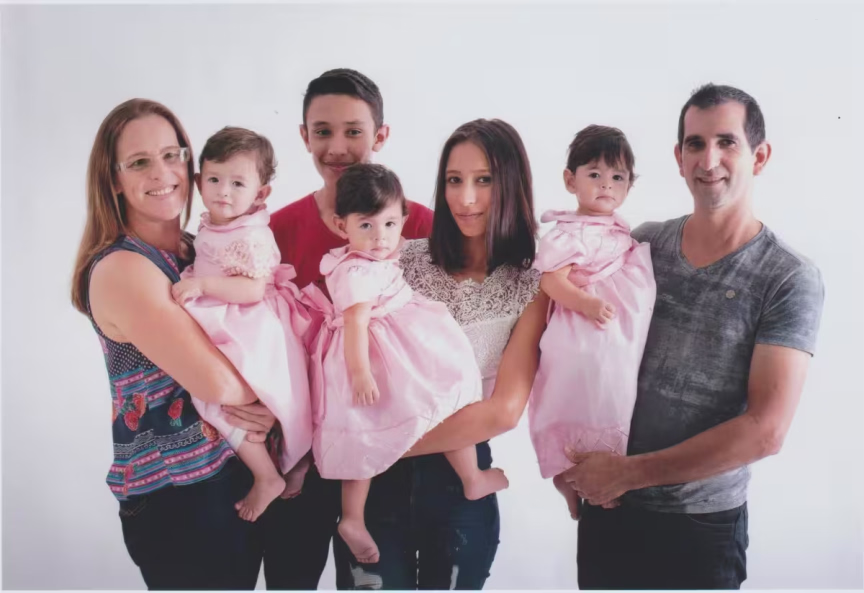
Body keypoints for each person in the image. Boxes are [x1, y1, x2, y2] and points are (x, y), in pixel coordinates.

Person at [562, 84, 825, 590]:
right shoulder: (642, 243)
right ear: (678, 158)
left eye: (727, 142)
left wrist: (627, 473)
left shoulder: (788, 277)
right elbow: (579, 348)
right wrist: (565, 465)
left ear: (759, 156)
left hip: (700, 527)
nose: (709, 160)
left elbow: (766, 430)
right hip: (609, 509)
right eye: (695, 144)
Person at [332, 119, 549, 589]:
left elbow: (503, 411)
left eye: (484, 180)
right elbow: (337, 342)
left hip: (456, 489)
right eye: (454, 180)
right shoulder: (395, 258)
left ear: (512, 183)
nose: (465, 198)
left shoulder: (533, 284)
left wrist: (364, 445)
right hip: (374, 493)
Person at [71, 99, 270, 589]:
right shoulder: (123, 267)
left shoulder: (193, 249)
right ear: (114, 180)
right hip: (179, 495)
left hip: (229, 474)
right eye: (139, 162)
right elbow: (220, 383)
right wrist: (278, 399)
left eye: (171, 155)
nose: (161, 173)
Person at [262, 68, 434, 589]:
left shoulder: (418, 226)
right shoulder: (277, 228)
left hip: (383, 449)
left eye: (354, 131)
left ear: (381, 135)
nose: (337, 147)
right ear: (304, 136)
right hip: (299, 447)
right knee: (291, 578)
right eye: (323, 131)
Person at [303, 163, 508, 565]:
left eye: (390, 224)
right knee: (430, 404)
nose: (380, 237)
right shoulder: (357, 269)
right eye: (366, 226)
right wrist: (360, 373)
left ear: (403, 220)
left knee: (385, 426)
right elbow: (355, 322)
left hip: (393, 346)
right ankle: (358, 516)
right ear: (342, 226)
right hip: (376, 355)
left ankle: (360, 515)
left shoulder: (365, 257)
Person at [171, 126, 313, 523]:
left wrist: (202, 285)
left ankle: (267, 475)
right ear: (198, 181)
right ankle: (281, 464)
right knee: (221, 395)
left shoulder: (251, 235)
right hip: (228, 312)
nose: (224, 192)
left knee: (216, 398)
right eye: (214, 179)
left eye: (238, 183)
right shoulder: (218, 223)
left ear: (261, 193)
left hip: (246, 322)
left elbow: (252, 290)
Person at [528, 125, 656, 519]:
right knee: (587, 397)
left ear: (629, 185)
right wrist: (585, 303)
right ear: (571, 181)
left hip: (615, 336)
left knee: (611, 398)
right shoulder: (571, 232)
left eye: (617, 177)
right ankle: (570, 474)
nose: (606, 185)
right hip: (583, 332)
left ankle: (597, 472)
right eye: (595, 174)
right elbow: (551, 280)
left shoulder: (615, 227)